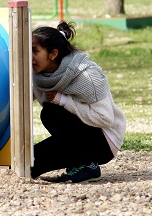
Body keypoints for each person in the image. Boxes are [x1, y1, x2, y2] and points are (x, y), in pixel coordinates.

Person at [31, 21, 126, 183]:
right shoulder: (38, 74)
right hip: (76, 137)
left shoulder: (87, 75)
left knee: (51, 113)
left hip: (104, 141)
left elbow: (105, 118)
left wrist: (64, 101)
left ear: (53, 54)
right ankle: (80, 164)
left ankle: (87, 165)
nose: (29, 57)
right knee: (28, 165)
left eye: (34, 51)